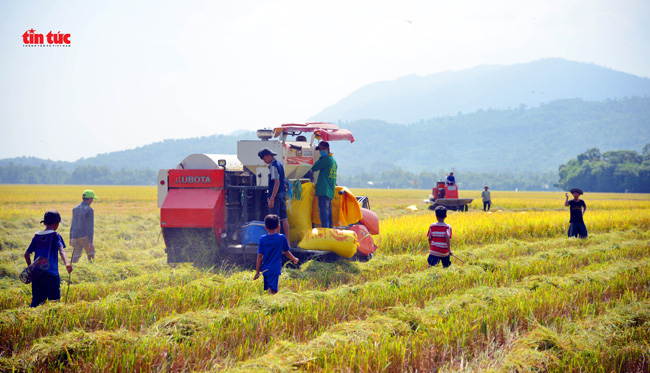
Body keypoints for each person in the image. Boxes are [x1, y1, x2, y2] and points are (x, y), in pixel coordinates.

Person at [24, 211, 73, 307]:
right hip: (51, 274)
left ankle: (31, 319)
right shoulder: (55, 235)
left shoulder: (37, 236)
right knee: (55, 303)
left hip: (37, 274)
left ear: (45, 223)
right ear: (56, 224)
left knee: (36, 302)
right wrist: (67, 263)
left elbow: (26, 254)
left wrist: (30, 269)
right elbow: (61, 250)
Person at [253, 214, 299, 295]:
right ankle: (272, 304)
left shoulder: (262, 239)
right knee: (273, 291)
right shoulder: (281, 237)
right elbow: (287, 253)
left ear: (265, 227)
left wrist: (257, 271)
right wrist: (294, 259)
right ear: (278, 226)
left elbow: (259, 256)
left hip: (265, 269)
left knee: (269, 289)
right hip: (275, 269)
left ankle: (269, 303)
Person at [258, 148, 290, 245]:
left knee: (276, 219)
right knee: (284, 218)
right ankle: (287, 242)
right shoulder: (279, 164)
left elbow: (276, 183)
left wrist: (271, 199)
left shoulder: (273, 166)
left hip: (276, 195)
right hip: (283, 194)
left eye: (264, 159)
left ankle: (278, 243)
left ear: (269, 156)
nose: (264, 161)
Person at [311, 141, 337, 228]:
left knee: (324, 215)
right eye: (320, 150)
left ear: (328, 149)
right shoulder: (333, 160)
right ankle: (330, 232)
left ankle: (325, 233)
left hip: (323, 191)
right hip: (329, 191)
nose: (321, 151)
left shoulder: (326, 160)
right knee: (328, 215)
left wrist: (320, 158)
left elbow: (314, 168)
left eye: (323, 149)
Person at [70, 189, 98, 263]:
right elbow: (90, 226)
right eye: (92, 199)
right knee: (91, 254)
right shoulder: (89, 210)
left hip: (75, 235)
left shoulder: (75, 208)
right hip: (84, 236)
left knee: (75, 256)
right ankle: (92, 270)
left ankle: (72, 270)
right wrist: (90, 241)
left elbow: (72, 223)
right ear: (90, 199)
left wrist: (71, 237)